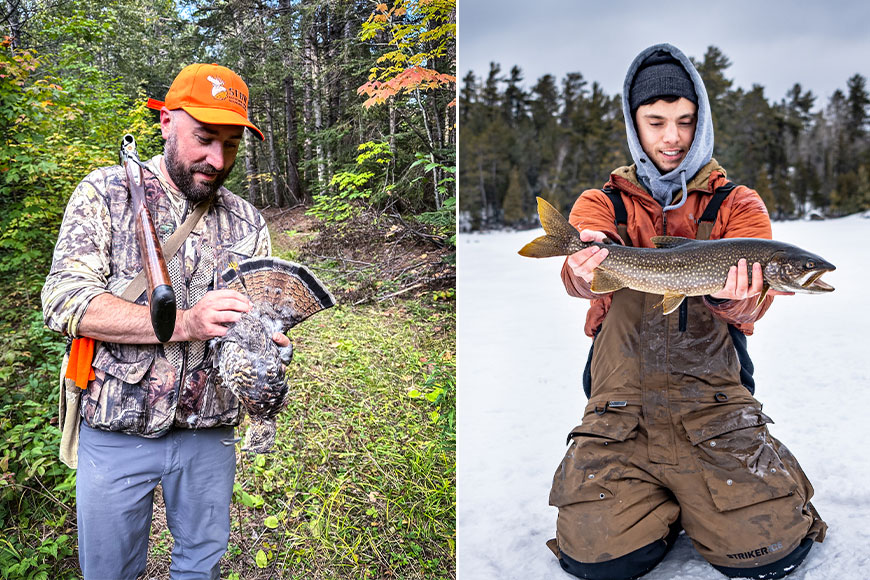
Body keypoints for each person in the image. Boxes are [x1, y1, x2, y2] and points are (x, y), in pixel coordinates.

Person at [546, 44, 827, 580]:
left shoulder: (738, 205)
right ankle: (664, 505)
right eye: (656, 122)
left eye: (685, 122)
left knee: (771, 554)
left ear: (702, 124)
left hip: (712, 406)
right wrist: (581, 264)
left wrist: (736, 296)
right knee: (597, 561)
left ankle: (690, 501)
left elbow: (752, 305)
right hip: (619, 407)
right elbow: (578, 280)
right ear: (634, 125)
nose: (671, 137)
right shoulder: (603, 201)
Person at [42, 63, 289, 579]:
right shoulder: (106, 193)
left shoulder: (247, 220)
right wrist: (185, 323)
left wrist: (266, 342)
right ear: (165, 121)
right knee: (110, 571)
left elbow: (257, 314)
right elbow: (64, 300)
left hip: (210, 432)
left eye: (231, 145)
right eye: (204, 138)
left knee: (201, 566)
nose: (216, 160)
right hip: (117, 430)